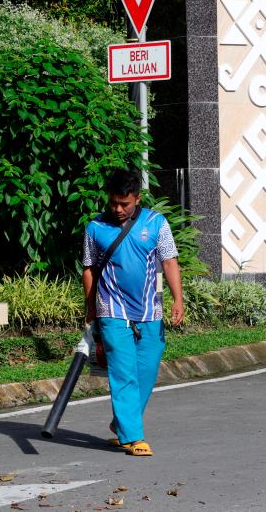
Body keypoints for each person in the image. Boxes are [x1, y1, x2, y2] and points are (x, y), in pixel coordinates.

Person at [82, 168, 184, 457]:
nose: (118, 209)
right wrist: (91, 308)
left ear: (137, 199)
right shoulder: (96, 227)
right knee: (123, 371)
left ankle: (122, 423)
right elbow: (88, 270)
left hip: (150, 309)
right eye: (113, 202)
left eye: (124, 204)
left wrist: (178, 300)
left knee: (146, 371)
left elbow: (169, 263)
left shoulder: (156, 223)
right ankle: (133, 437)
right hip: (111, 308)